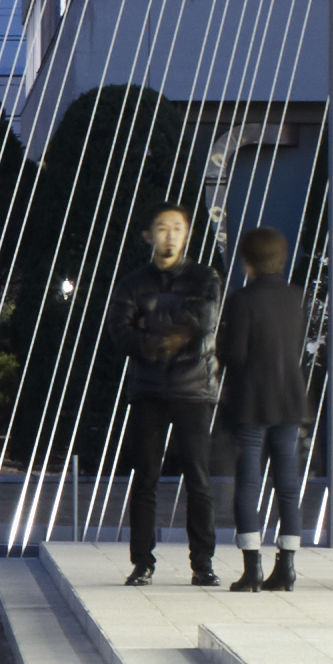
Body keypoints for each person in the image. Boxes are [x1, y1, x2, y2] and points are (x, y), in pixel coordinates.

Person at [103, 201, 222, 585]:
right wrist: (166, 337)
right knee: (145, 478)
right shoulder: (133, 282)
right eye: (162, 227)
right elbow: (119, 329)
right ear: (149, 235)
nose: (169, 235)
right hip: (148, 388)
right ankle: (142, 562)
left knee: (198, 480)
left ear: (187, 234)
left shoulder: (205, 278)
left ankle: (202, 564)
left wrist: (150, 326)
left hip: (193, 388)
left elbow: (202, 324)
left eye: (177, 227)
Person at [216, 223, 316, 591]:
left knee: (249, 481)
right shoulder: (295, 296)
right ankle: (286, 567)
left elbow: (234, 354)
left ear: (247, 260)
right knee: (288, 483)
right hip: (290, 399)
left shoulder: (243, 300)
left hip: (253, 401)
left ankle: (252, 568)